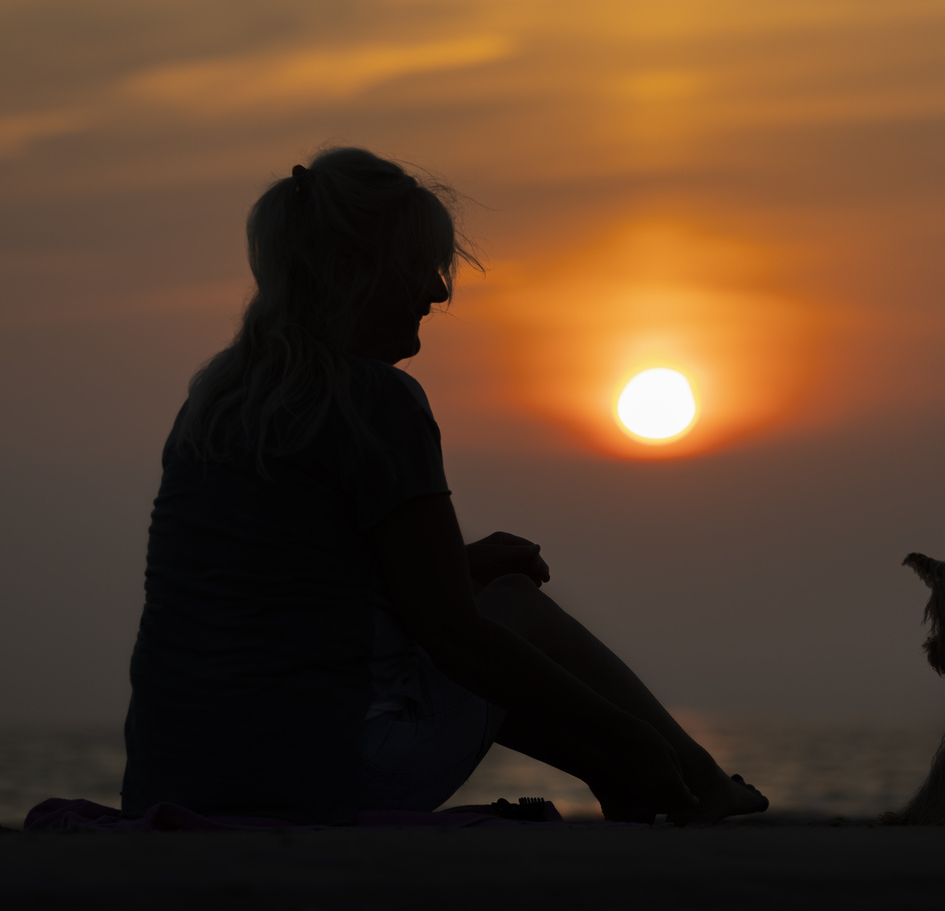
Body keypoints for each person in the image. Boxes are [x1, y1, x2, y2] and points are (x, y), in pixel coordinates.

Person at [121, 147, 768, 825]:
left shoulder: (216, 406)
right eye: (420, 266)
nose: (438, 291)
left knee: (486, 594)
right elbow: (454, 635)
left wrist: (453, 567)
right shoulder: (375, 401)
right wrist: (631, 738)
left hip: (174, 784)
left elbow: (290, 596)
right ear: (356, 272)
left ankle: (637, 776)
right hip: (320, 784)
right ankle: (689, 777)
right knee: (510, 605)